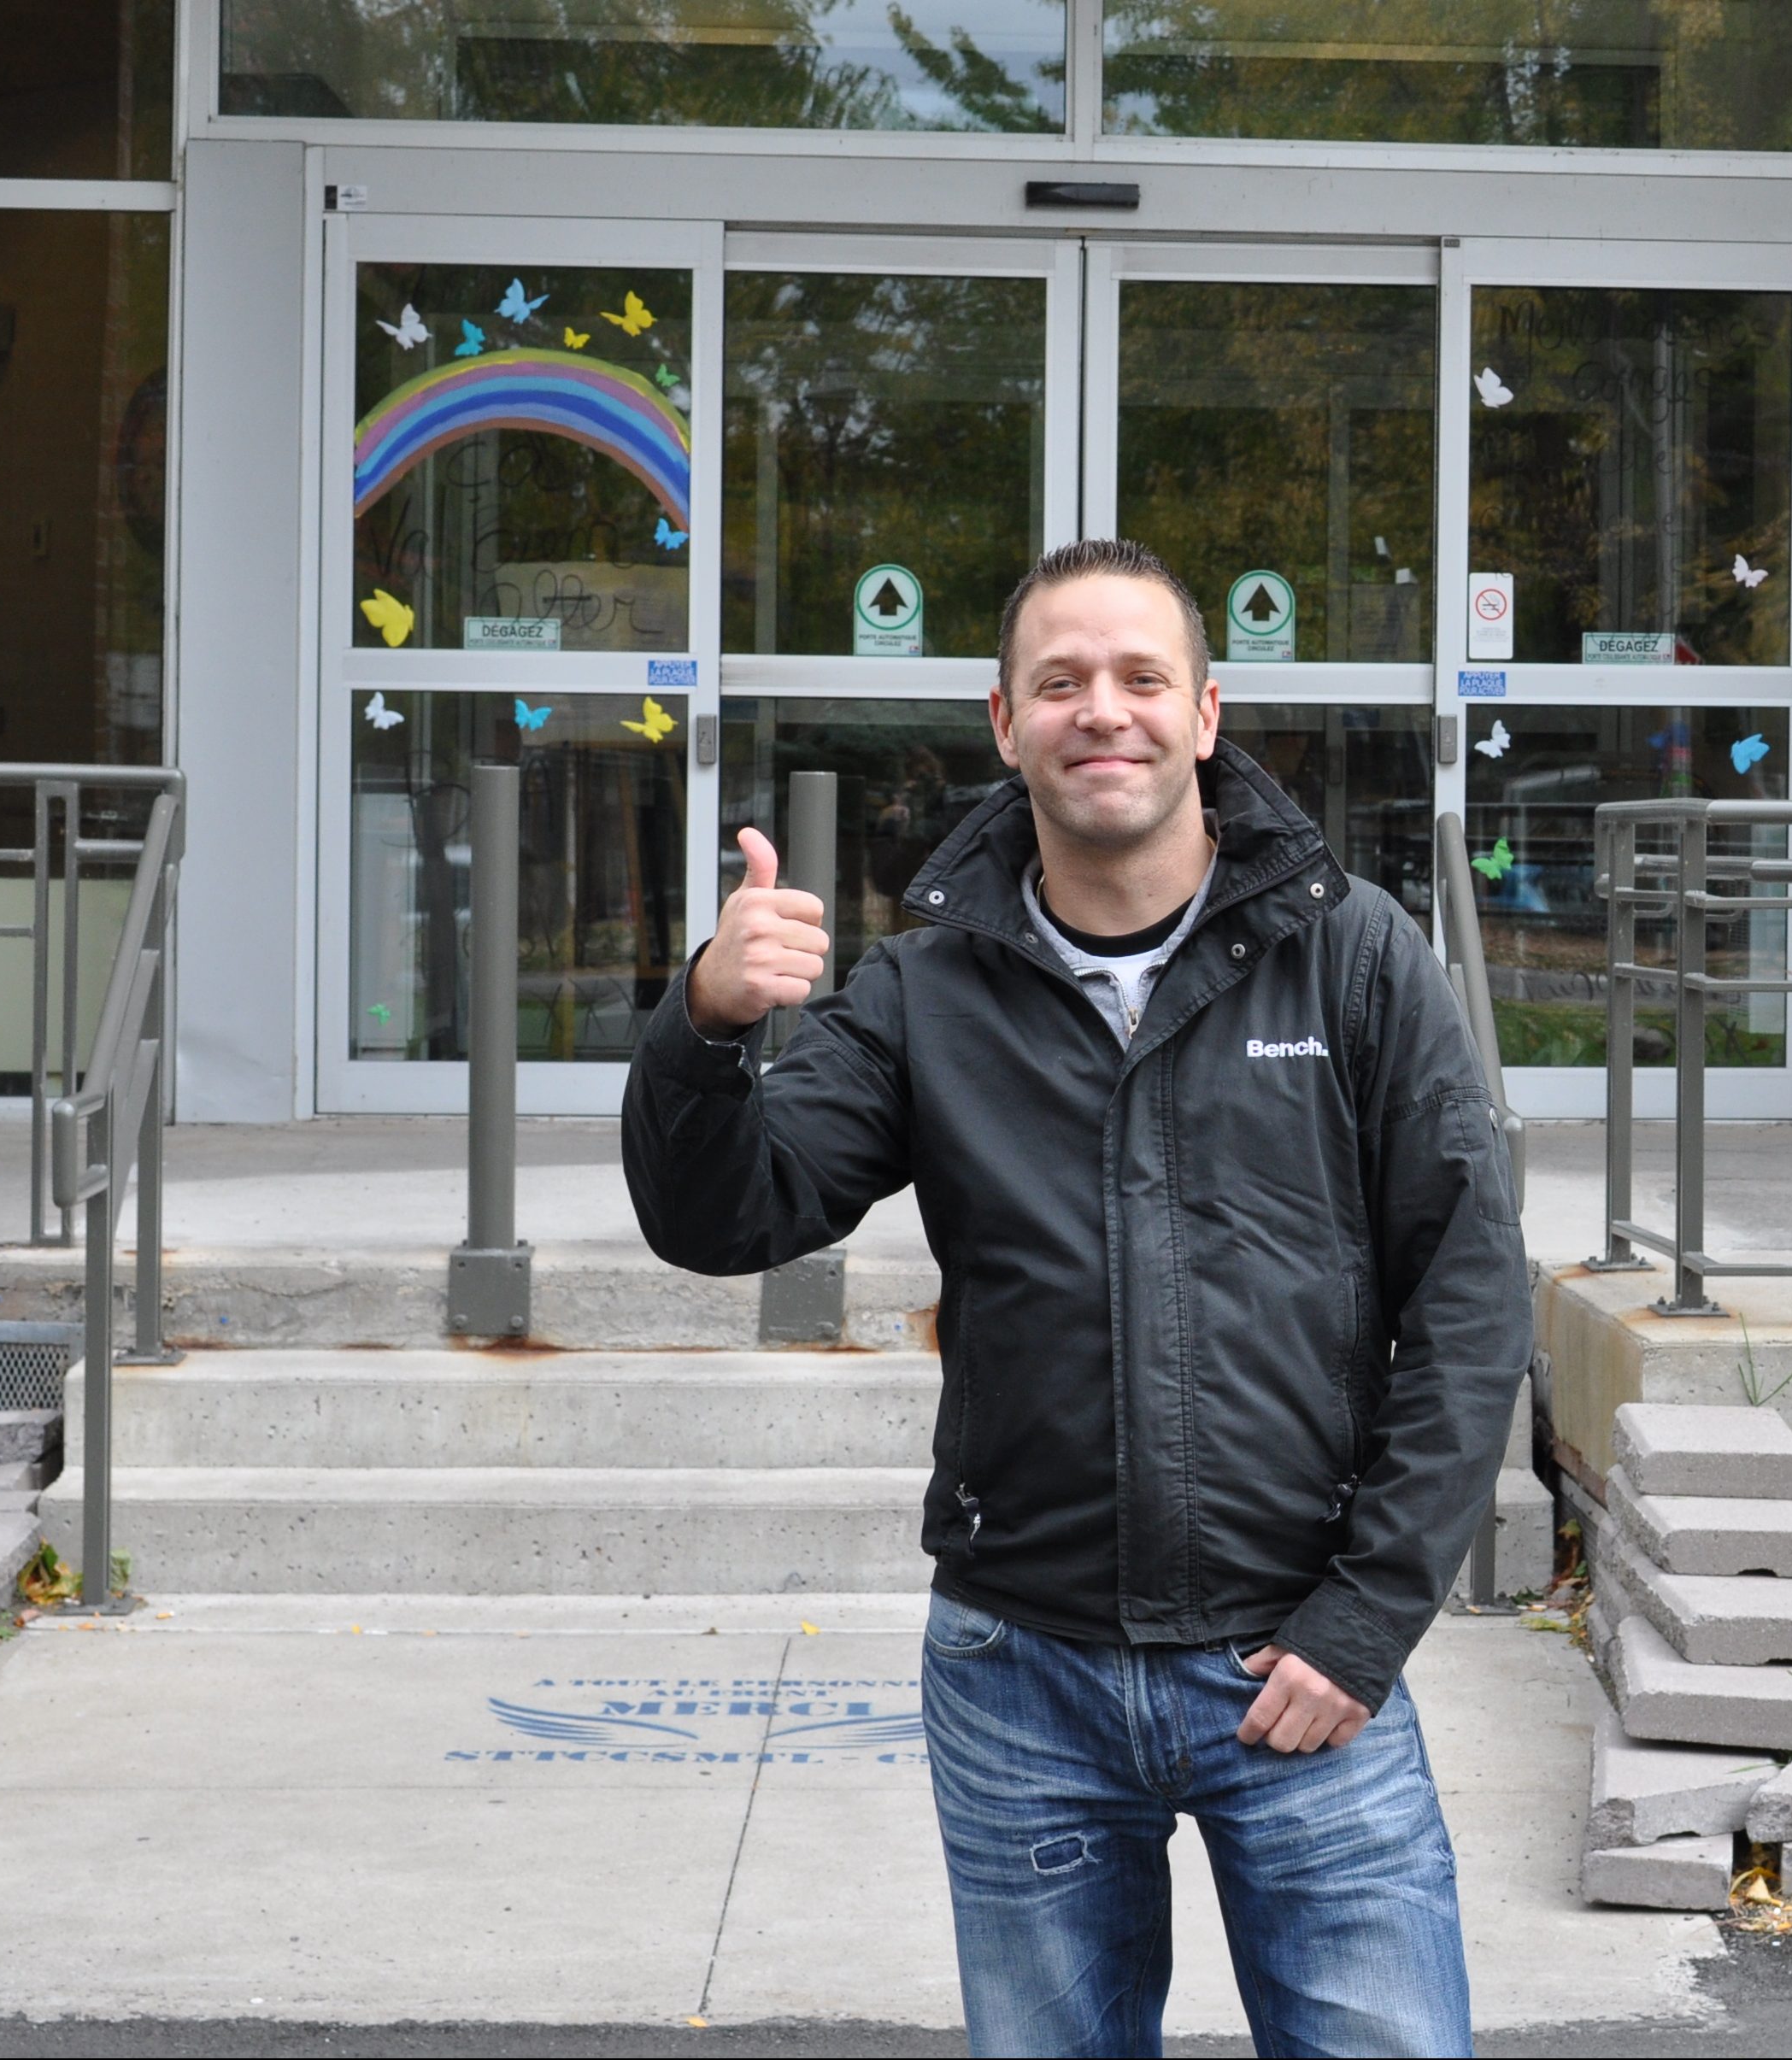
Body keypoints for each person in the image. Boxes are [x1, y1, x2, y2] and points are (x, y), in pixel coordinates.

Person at [623, 537, 1530, 2058]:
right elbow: (727, 1217)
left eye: (1138, 678)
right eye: (1061, 682)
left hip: (1297, 1673)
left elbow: (1470, 1297)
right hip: (1020, 1683)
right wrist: (707, 1026)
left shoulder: (1354, 957)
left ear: (1205, 713)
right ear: (1004, 723)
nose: (1100, 710)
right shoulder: (925, 994)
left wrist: (1366, 1621)